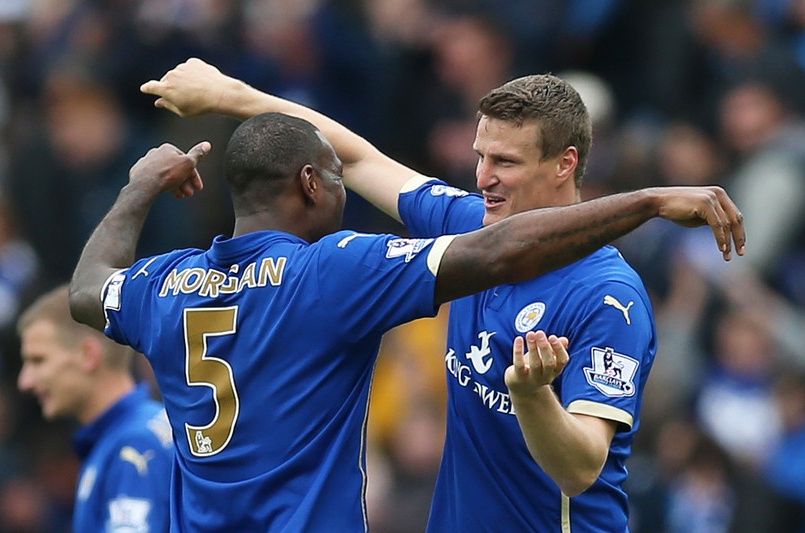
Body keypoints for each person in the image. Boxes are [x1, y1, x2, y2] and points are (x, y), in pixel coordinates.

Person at [139, 59, 747, 531]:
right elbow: (354, 157)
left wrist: (533, 398)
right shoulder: (469, 226)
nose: (482, 176)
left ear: (566, 163)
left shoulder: (608, 295)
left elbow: (582, 468)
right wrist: (232, 96)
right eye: (481, 155)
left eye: (504, 161)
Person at [17, 285, 173, 533]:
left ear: (88, 355)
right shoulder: (133, 433)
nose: (25, 381)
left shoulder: (134, 448)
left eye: (39, 360)